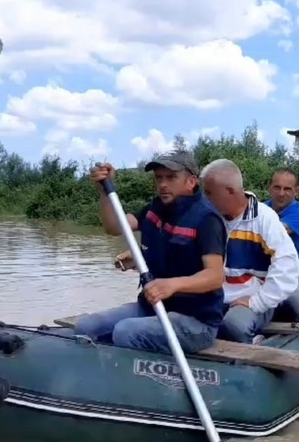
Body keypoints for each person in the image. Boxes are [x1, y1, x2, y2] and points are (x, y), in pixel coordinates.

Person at [73, 151, 227, 355]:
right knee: (86, 327)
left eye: (171, 177)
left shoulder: (207, 219)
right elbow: (114, 227)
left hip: (196, 322)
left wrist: (172, 285)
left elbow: (215, 277)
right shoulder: (156, 208)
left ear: (190, 182)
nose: (163, 184)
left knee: (125, 332)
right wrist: (104, 191)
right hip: (151, 308)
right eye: (159, 178)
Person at [199, 158, 299, 344]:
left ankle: (255, 343)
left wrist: (257, 302)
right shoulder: (208, 219)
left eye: (209, 193)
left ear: (230, 191)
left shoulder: (264, 218)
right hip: (216, 297)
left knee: (234, 325)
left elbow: (287, 265)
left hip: (251, 298)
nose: (204, 198)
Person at [265, 167, 299, 323]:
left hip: (295, 277)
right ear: (269, 188)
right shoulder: (260, 209)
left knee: (291, 296)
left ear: (296, 191)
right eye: (277, 187)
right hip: (265, 275)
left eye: (287, 189)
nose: (281, 193)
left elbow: (274, 233)